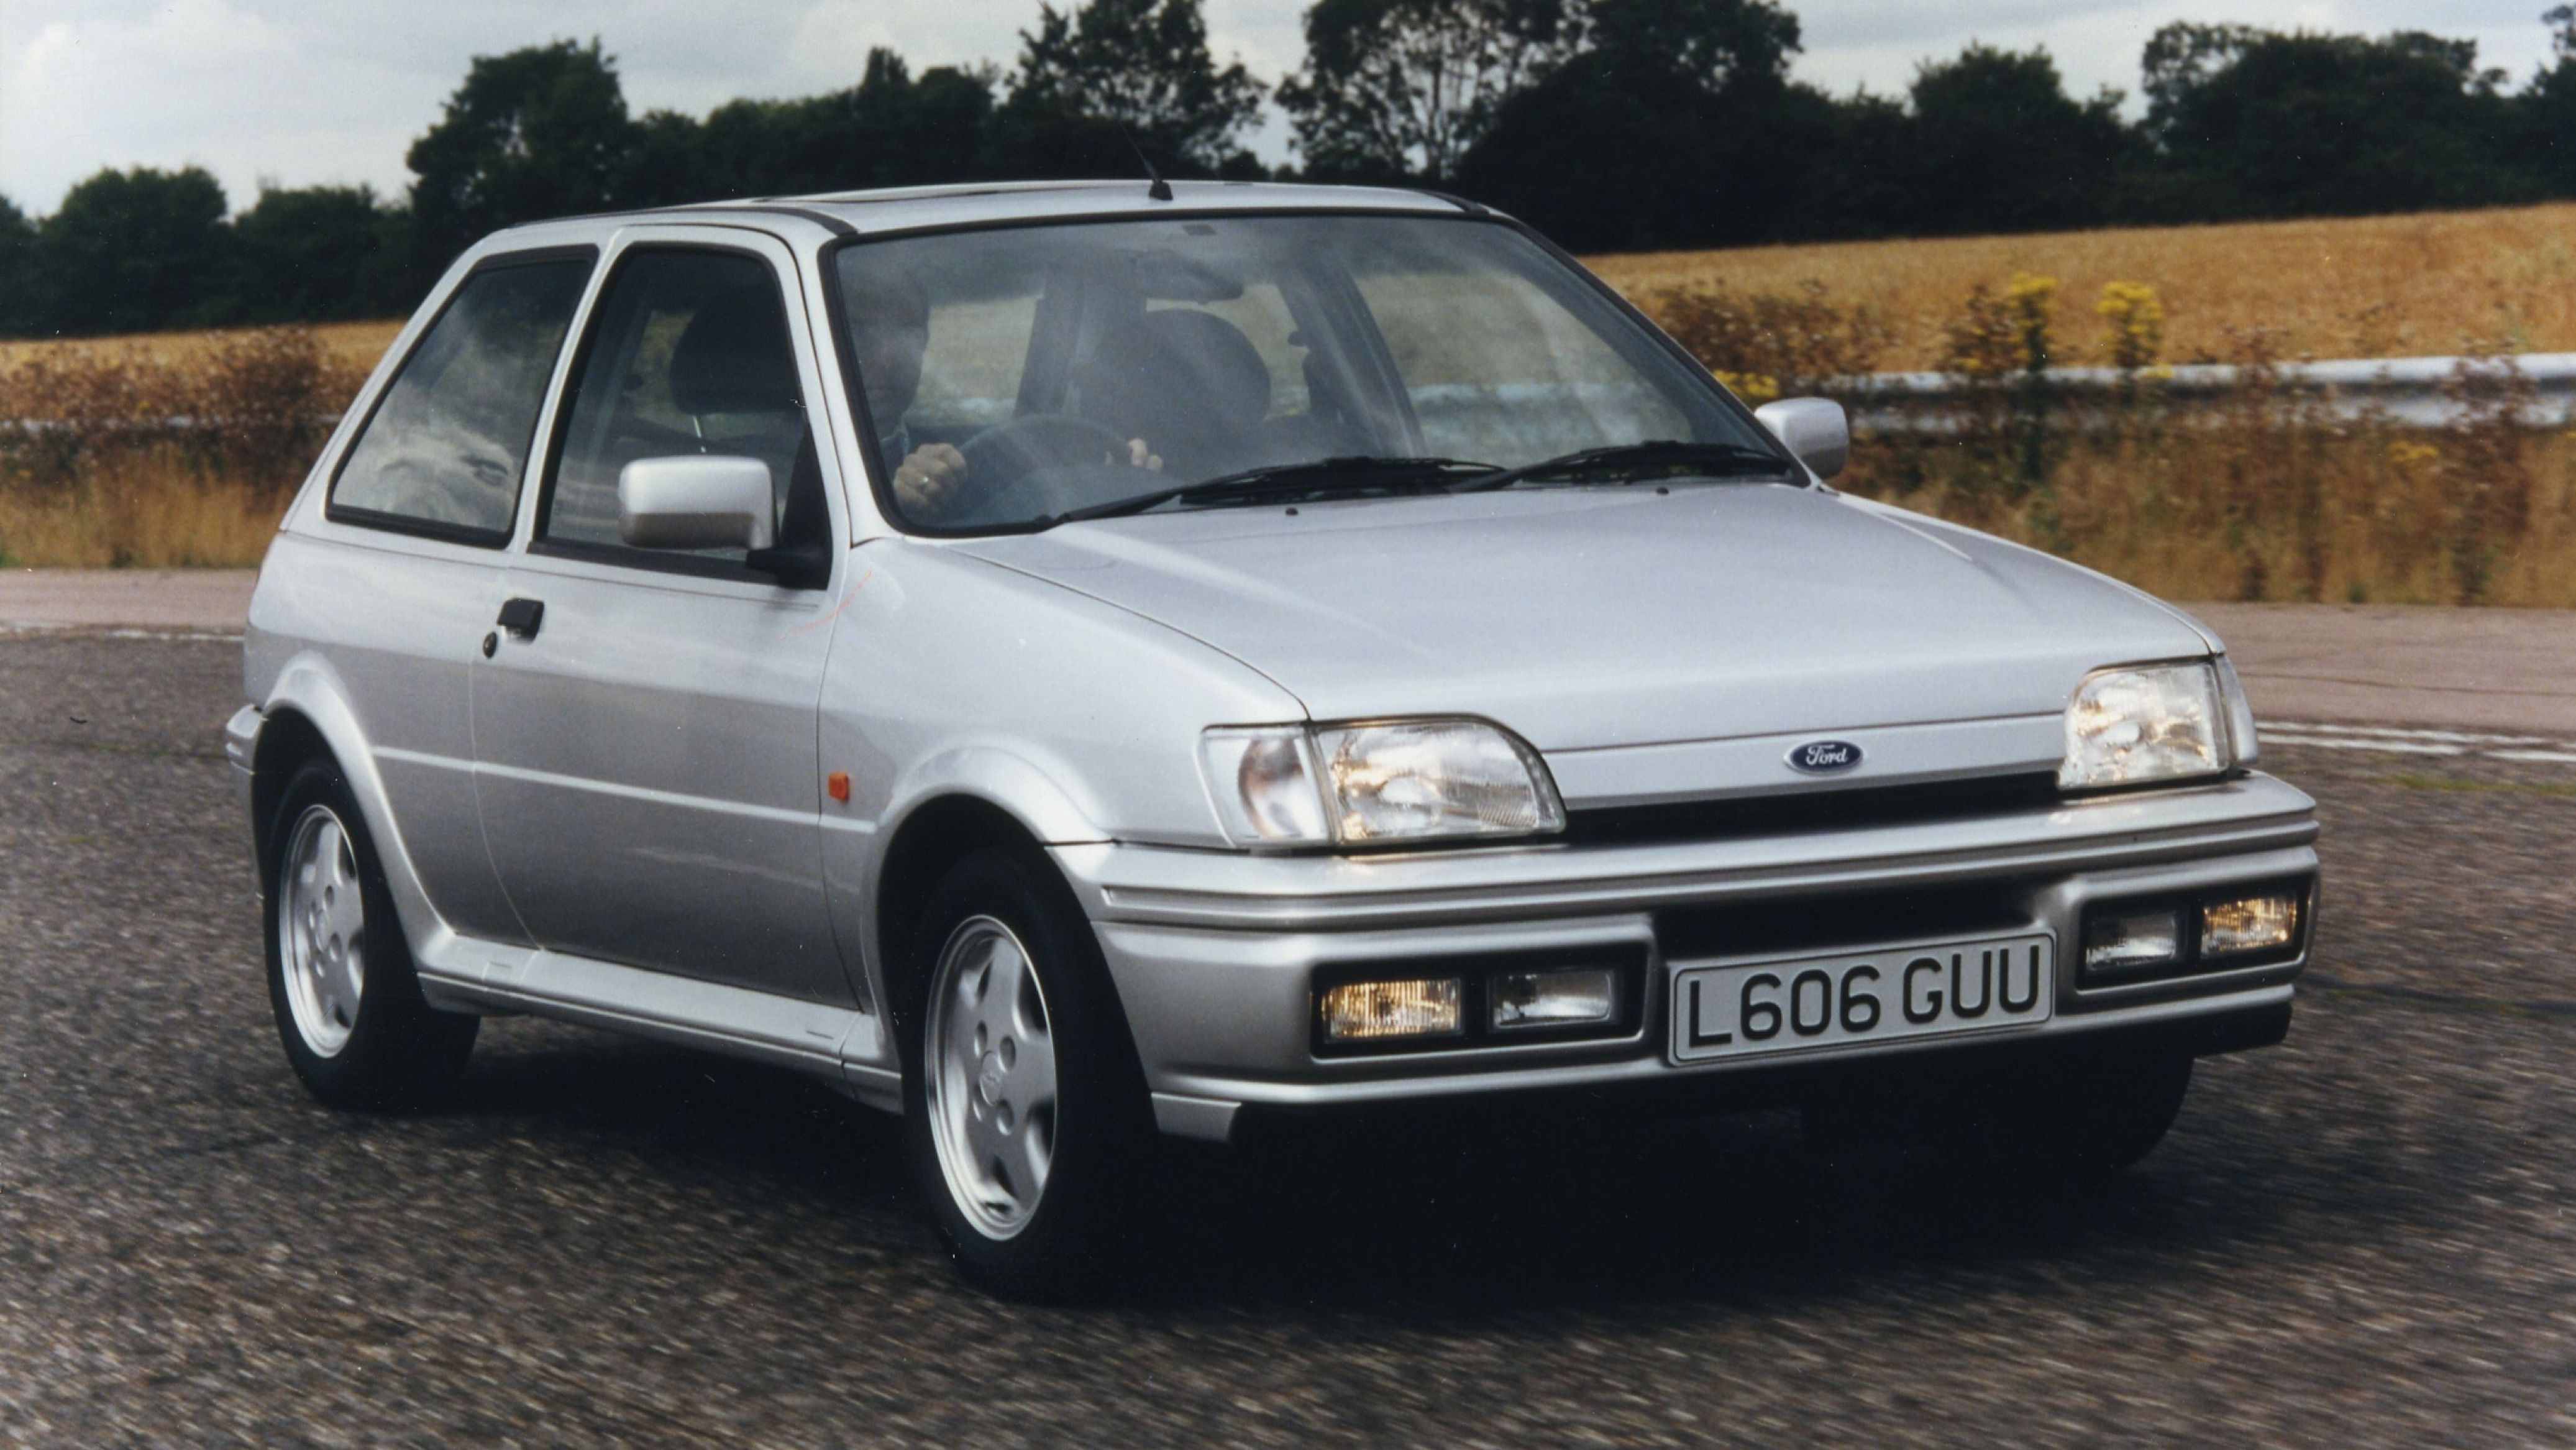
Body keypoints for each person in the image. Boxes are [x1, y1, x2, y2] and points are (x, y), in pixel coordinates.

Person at [846, 267, 1158, 523]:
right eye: (861, 333)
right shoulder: (801, 469)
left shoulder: (960, 456)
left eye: (907, 333)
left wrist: (1119, 477)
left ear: (925, 341)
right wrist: (893, 505)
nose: (887, 359)